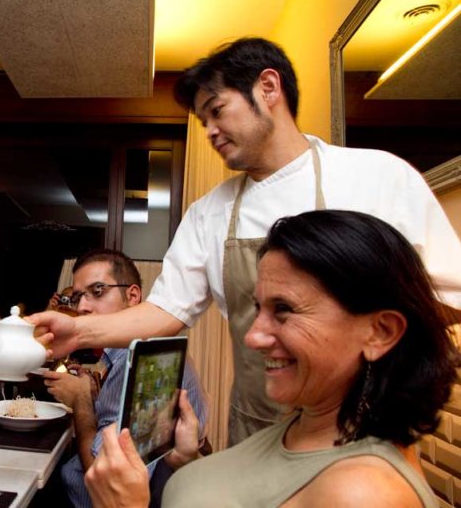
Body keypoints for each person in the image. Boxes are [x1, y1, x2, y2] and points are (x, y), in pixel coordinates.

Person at [28, 37, 461, 445]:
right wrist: (78, 331)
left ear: (268, 88)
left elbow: (444, 299)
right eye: (203, 121)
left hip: (365, 428)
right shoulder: (209, 213)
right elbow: (164, 312)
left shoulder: (377, 176)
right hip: (256, 428)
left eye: (217, 111)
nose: (210, 131)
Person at [85, 210, 458, 507]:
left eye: (284, 310)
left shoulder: (366, 493)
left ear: (381, 332)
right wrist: (190, 458)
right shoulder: (304, 421)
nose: (253, 336)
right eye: (258, 308)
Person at [43, 249, 208, 508]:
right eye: (78, 297)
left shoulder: (142, 360)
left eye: (97, 291)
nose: (83, 307)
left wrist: (81, 400)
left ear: (132, 296)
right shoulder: (120, 354)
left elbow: (104, 474)